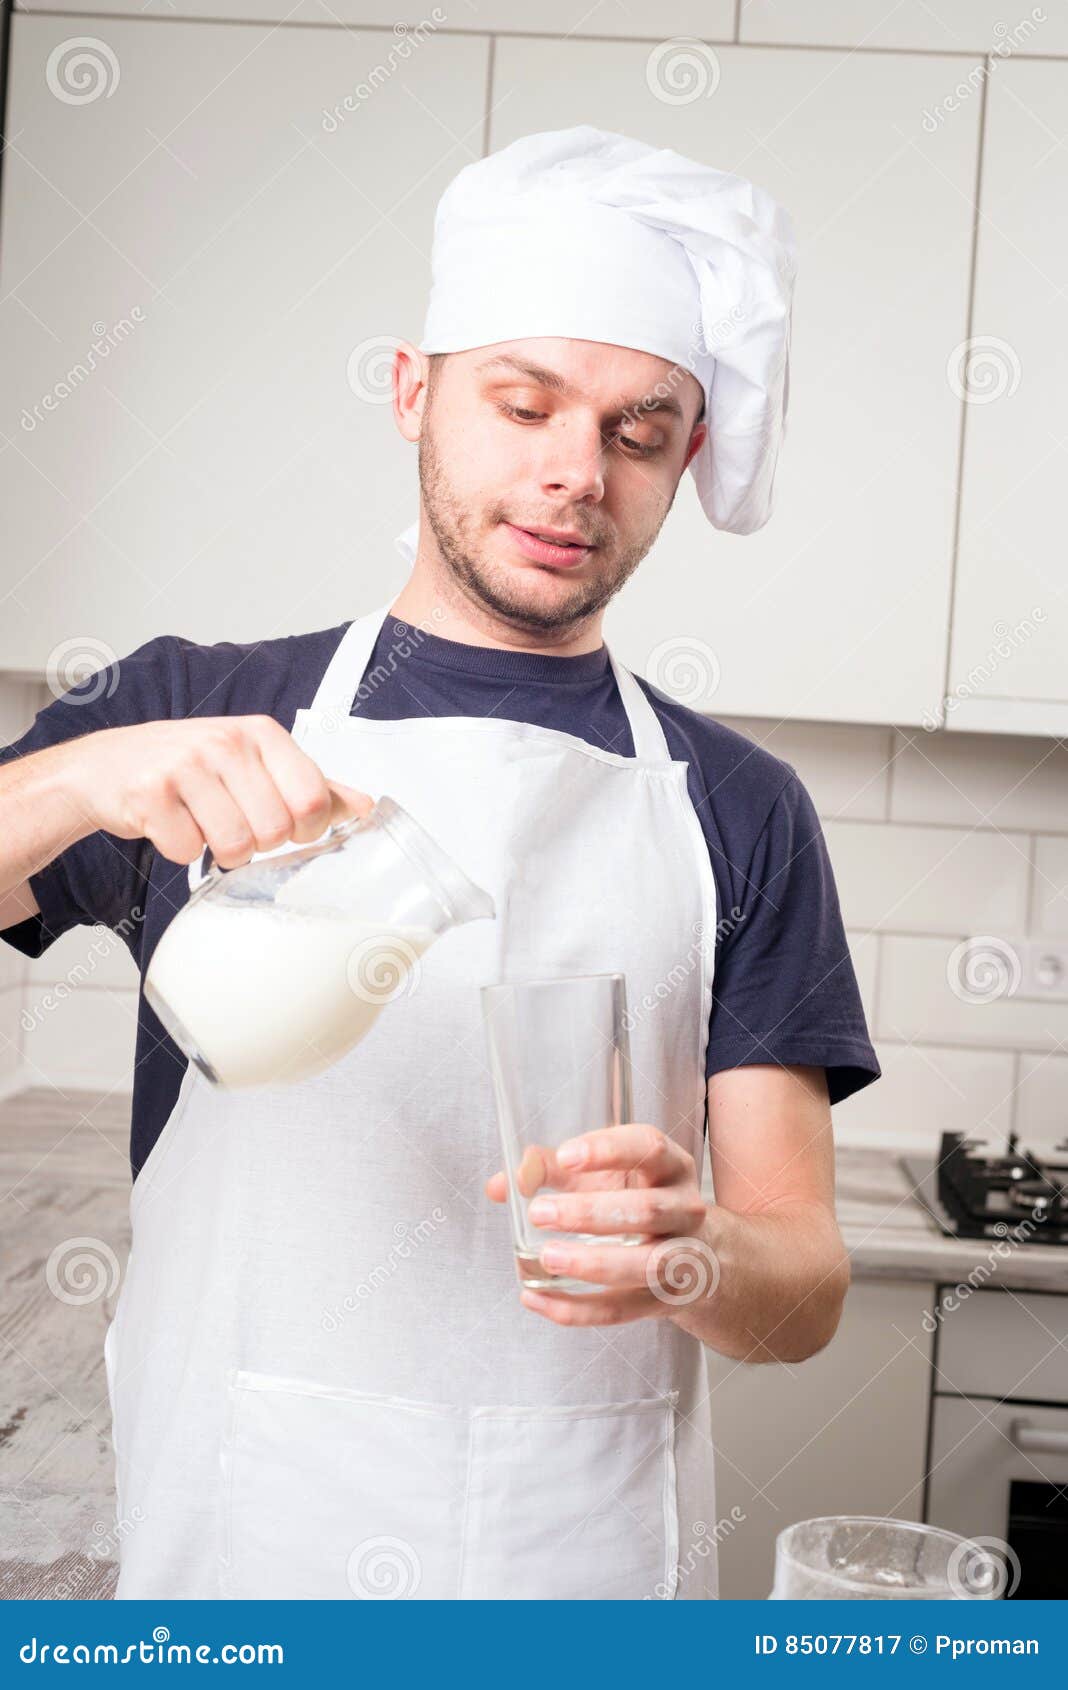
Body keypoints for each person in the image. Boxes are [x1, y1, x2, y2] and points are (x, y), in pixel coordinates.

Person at [0, 126, 879, 1601]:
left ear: (685, 459)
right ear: (414, 391)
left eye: (638, 433)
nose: (573, 473)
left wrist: (701, 1251)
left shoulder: (741, 806)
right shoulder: (193, 710)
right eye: (522, 404)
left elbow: (803, 1291)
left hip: (579, 1566)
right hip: (248, 1544)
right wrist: (79, 778)